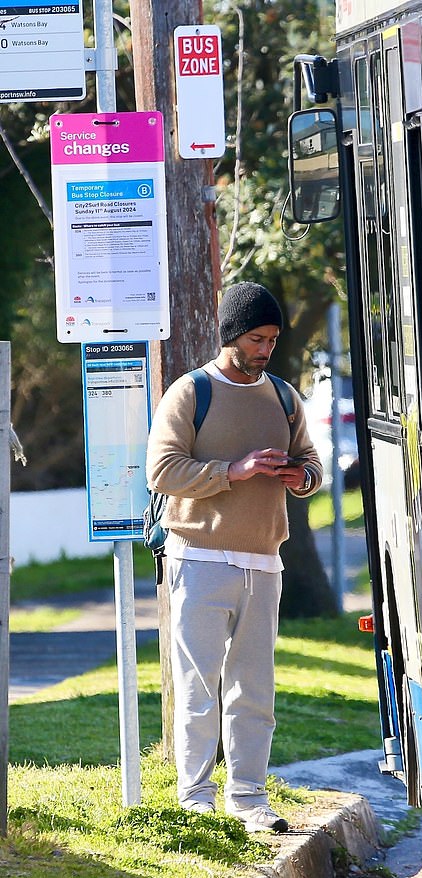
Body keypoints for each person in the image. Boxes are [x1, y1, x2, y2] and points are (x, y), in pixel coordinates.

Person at [146, 281, 323, 832]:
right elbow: (162, 471)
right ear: (230, 336)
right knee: (199, 684)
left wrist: (302, 477)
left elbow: (312, 462)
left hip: (264, 564)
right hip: (198, 558)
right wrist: (233, 471)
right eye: (256, 338)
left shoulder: (285, 397)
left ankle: (248, 798)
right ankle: (195, 796)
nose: (266, 348)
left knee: (254, 687)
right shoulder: (189, 393)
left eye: (271, 339)